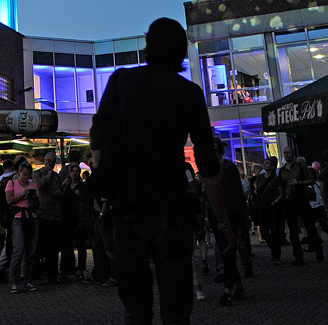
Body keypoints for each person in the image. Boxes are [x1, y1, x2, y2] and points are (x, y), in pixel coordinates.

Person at [90, 17, 231, 325]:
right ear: (181, 52)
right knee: (176, 309)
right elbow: (207, 163)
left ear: (147, 45)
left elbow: (98, 133)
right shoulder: (189, 93)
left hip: (128, 207)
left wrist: (105, 182)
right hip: (171, 206)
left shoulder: (121, 82)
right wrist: (221, 219)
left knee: (136, 309)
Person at [211, 136, 249, 307]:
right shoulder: (211, 169)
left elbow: (238, 195)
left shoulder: (228, 167)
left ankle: (229, 289)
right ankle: (237, 285)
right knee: (225, 250)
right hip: (217, 214)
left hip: (230, 213)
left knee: (228, 251)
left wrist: (243, 218)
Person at [278, 146, 322, 264]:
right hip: (289, 200)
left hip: (300, 197)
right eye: (285, 153)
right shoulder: (282, 170)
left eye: (288, 153)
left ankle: (318, 249)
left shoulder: (300, 166)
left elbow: (312, 179)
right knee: (293, 229)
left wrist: (299, 183)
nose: (286, 155)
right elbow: (281, 185)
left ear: (293, 154)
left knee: (309, 225)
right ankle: (298, 256)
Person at [4, 161, 39, 293]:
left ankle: (29, 280)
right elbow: (9, 200)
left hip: (32, 218)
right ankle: (14, 280)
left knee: (31, 251)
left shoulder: (33, 185)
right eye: (24, 174)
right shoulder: (11, 183)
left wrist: (33, 196)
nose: (25, 177)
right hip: (18, 218)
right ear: (19, 172)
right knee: (18, 251)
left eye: (28, 175)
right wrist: (23, 194)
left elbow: (37, 203)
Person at [31, 151, 64, 284]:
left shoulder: (56, 176)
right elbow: (39, 185)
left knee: (54, 248)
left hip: (56, 216)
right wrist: (49, 173)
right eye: (49, 161)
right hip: (43, 215)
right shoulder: (37, 174)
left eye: (53, 161)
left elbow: (60, 190)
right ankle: (39, 274)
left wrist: (60, 193)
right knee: (43, 247)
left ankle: (53, 275)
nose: (51, 163)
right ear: (45, 161)